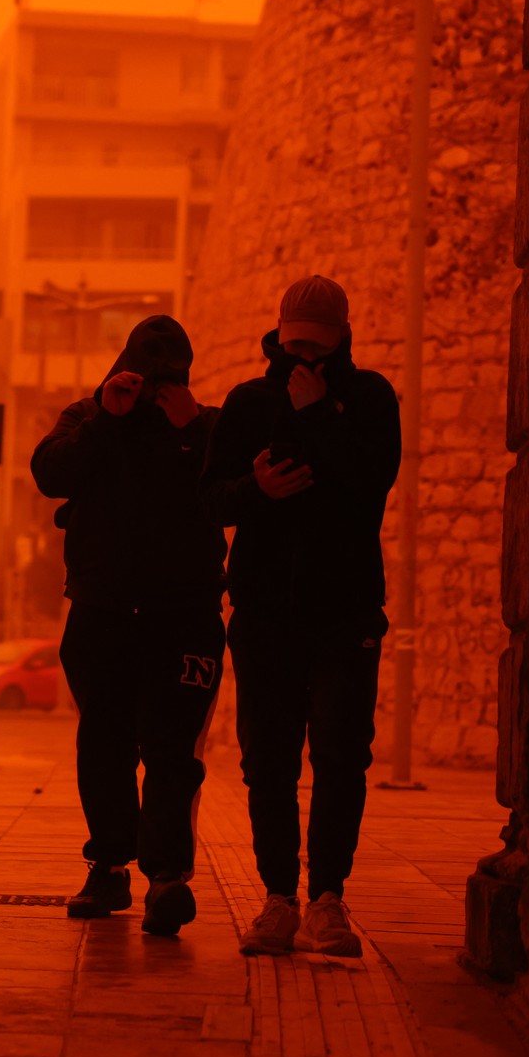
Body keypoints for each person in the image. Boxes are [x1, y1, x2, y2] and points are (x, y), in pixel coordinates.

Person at [199, 275, 401, 958]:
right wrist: (255, 490)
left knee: (342, 758)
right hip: (264, 615)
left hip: (346, 616)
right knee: (269, 762)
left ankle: (329, 899)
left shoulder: (368, 399)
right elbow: (210, 500)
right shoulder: (250, 403)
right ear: (278, 337)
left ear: (342, 337)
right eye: (292, 345)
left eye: (315, 345)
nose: (302, 358)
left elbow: (374, 481)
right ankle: (278, 898)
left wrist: (319, 418)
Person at [31, 315, 227, 937]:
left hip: (184, 618)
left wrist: (190, 429)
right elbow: (50, 474)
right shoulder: (88, 417)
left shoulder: (209, 428)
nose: (153, 392)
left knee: (173, 756)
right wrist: (107, 418)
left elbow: (236, 492)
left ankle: (167, 879)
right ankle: (110, 867)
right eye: (145, 377)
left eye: (168, 380)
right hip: (103, 614)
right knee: (105, 747)